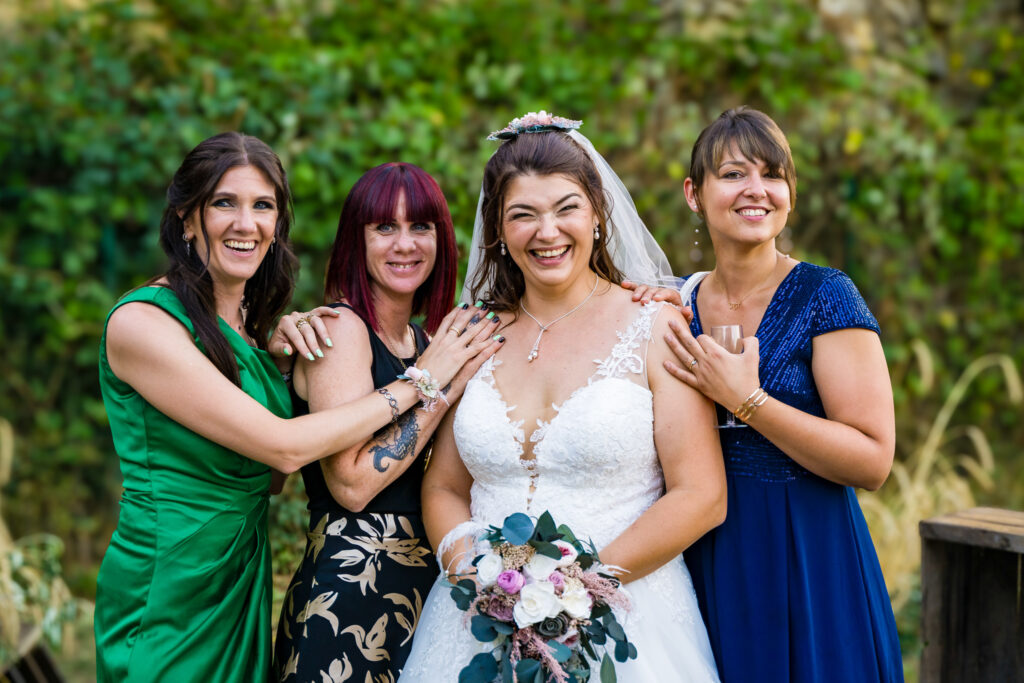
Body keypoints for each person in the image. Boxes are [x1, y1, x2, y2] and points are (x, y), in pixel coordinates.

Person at [94, 133, 501, 682]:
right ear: (187, 219)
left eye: (263, 206)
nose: (246, 223)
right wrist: (425, 382)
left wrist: (280, 366)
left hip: (238, 572)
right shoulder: (142, 323)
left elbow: (268, 480)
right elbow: (285, 451)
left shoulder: (251, 335)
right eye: (224, 203)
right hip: (170, 572)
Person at [398, 113, 725, 682]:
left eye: (566, 208)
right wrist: (476, 580)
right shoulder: (474, 333)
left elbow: (701, 494)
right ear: (498, 231)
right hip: (478, 619)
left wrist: (578, 589)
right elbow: (445, 486)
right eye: (523, 215)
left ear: (596, 213)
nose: (547, 232)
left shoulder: (654, 324)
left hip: (628, 620)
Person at [629, 107, 903, 682]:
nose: (756, 190)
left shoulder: (826, 296)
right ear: (693, 193)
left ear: (790, 194)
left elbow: (873, 460)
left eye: (773, 175)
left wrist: (748, 401)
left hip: (808, 556)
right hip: (701, 554)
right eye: (732, 174)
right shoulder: (671, 305)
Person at [271, 163, 501, 682]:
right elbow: (350, 484)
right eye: (385, 228)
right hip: (350, 592)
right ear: (358, 240)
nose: (405, 245)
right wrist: (440, 387)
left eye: (421, 227)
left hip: (424, 592)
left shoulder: (424, 343)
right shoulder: (341, 330)